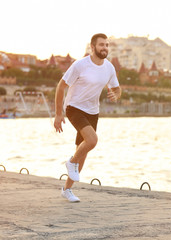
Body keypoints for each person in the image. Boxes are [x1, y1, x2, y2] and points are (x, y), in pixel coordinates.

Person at [54, 33, 121, 202]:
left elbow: (117, 88)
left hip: (93, 111)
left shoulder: (109, 68)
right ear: (92, 47)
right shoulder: (80, 65)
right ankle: (71, 162)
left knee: (82, 153)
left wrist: (116, 95)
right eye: (101, 45)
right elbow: (61, 87)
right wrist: (58, 114)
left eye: (107, 45)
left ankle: (67, 189)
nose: (105, 48)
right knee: (92, 140)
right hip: (74, 108)